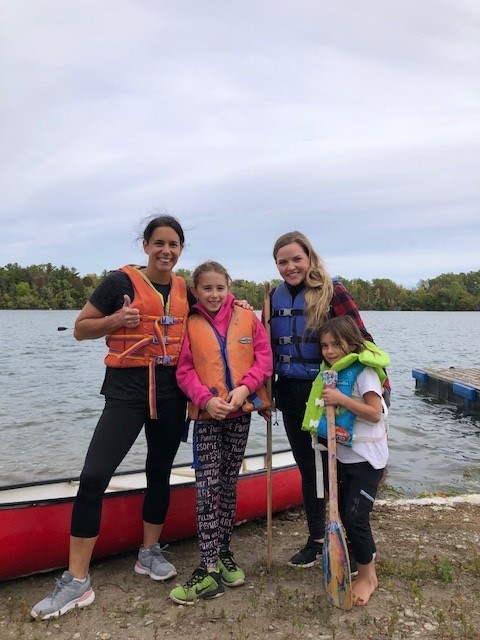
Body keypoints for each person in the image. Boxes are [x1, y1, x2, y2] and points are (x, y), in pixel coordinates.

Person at [31, 215, 198, 620]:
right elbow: (80, 328)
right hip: (125, 392)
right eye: (158, 243)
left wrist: (238, 303)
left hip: (171, 393)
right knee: (93, 476)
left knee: (159, 472)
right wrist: (115, 321)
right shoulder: (118, 283)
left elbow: (214, 315)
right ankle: (77, 581)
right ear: (145, 246)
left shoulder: (183, 289)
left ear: (180, 250)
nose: (166, 251)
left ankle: (148, 553)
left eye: (173, 244)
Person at [269, 230, 390, 571]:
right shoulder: (273, 297)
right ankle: (317, 540)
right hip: (291, 393)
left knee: (337, 468)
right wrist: (266, 393)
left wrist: (380, 387)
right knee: (309, 469)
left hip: (329, 392)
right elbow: (266, 348)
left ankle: (348, 539)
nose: (290, 267)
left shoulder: (332, 291)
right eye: (283, 261)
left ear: (309, 257)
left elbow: (360, 340)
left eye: (296, 259)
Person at [169, 261, 272, 605]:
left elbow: (263, 360)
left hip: (239, 413)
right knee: (206, 487)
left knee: (228, 484)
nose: (214, 295)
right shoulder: (190, 322)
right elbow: (184, 372)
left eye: (220, 288)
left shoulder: (247, 317)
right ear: (195, 291)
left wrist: (244, 390)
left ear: (229, 287)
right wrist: (206, 400)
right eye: (206, 289)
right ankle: (208, 565)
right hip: (208, 417)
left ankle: (224, 551)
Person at [303, 315, 390, 606]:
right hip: (342, 456)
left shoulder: (364, 372)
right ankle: (354, 564)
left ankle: (368, 576)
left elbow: (374, 413)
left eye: (335, 345)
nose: (328, 351)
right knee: (340, 515)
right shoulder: (331, 373)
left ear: (351, 343)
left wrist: (340, 398)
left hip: (367, 459)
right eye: (324, 346)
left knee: (356, 517)